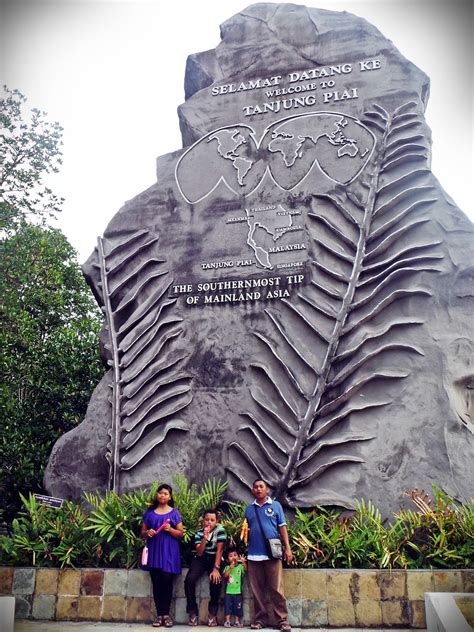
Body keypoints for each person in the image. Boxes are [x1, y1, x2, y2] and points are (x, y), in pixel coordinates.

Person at [244, 479, 293, 632]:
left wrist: (288, 548)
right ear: (253, 490)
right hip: (253, 555)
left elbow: (282, 528)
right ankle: (260, 620)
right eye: (256, 487)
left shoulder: (275, 506)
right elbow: (246, 531)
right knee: (257, 592)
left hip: (273, 554)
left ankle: (282, 621)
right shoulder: (249, 509)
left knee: (276, 589)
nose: (258, 489)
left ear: (267, 490)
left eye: (261, 487)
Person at [140, 484, 184, 628]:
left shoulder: (174, 513)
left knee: (166, 581)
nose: (162, 495)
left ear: (170, 497)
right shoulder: (149, 513)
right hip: (154, 551)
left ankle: (166, 615)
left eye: (165, 493)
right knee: (157, 582)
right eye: (160, 493)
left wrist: (169, 529)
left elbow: (180, 534)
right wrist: (148, 533)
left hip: (169, 552)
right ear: (157, 495)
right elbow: (142, 533)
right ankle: (159, 616)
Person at [184, 508, 226, 627]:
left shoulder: (220, 530)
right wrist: (205, 538)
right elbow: (200, 552)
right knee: (189, 580)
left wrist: (216, 569)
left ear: (216, 521)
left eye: (212, 520)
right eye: (207, 519)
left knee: (216, 581)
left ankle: (212, 614)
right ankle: (192, 612)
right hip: (201, 558)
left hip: (215, 558)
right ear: (203, 521)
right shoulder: (199, 533)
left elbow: (220, 550)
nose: (209, 522)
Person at [223, 546, 247, 628]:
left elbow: (246, 570)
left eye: (235, 555)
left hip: (238, 592)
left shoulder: (240, 567)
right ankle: (227, 621)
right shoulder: (227, 567)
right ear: (227, 559)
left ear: (238, 556)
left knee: (238, 607)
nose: (233, 557)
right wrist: (230, 568)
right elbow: (225, 575)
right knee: (227, 607)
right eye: (230, 556)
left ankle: (236, 621)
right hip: (228, 592)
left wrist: (243, 562)